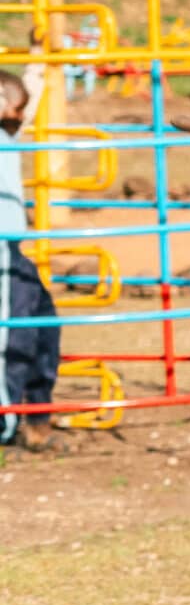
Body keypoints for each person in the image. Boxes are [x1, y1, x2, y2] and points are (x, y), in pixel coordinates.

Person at [0, 71, 59, 451]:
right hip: (1, 251)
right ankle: (4, 422)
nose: (22, 116)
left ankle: (37, 418)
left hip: (13, 252)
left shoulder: (6, 137)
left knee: (45, 325)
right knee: (13, 336)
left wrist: (36, 62)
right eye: (16, 109)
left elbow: (28, 101)